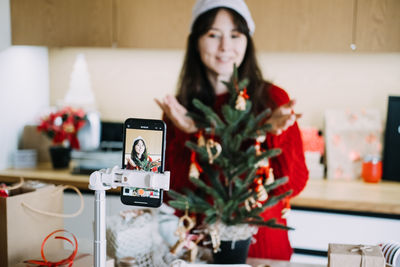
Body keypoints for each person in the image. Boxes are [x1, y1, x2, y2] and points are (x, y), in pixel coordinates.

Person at [155, 0, 309, 260]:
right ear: (196, 41)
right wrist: (188, 133)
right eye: (213, 35)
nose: (225, 47)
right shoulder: (181, 110)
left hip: (263, 253)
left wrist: (269, 131)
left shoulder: (271, 100)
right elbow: (172, 195)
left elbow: (291, 184)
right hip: (202, 253)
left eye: (235, 35)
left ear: (247, 41)